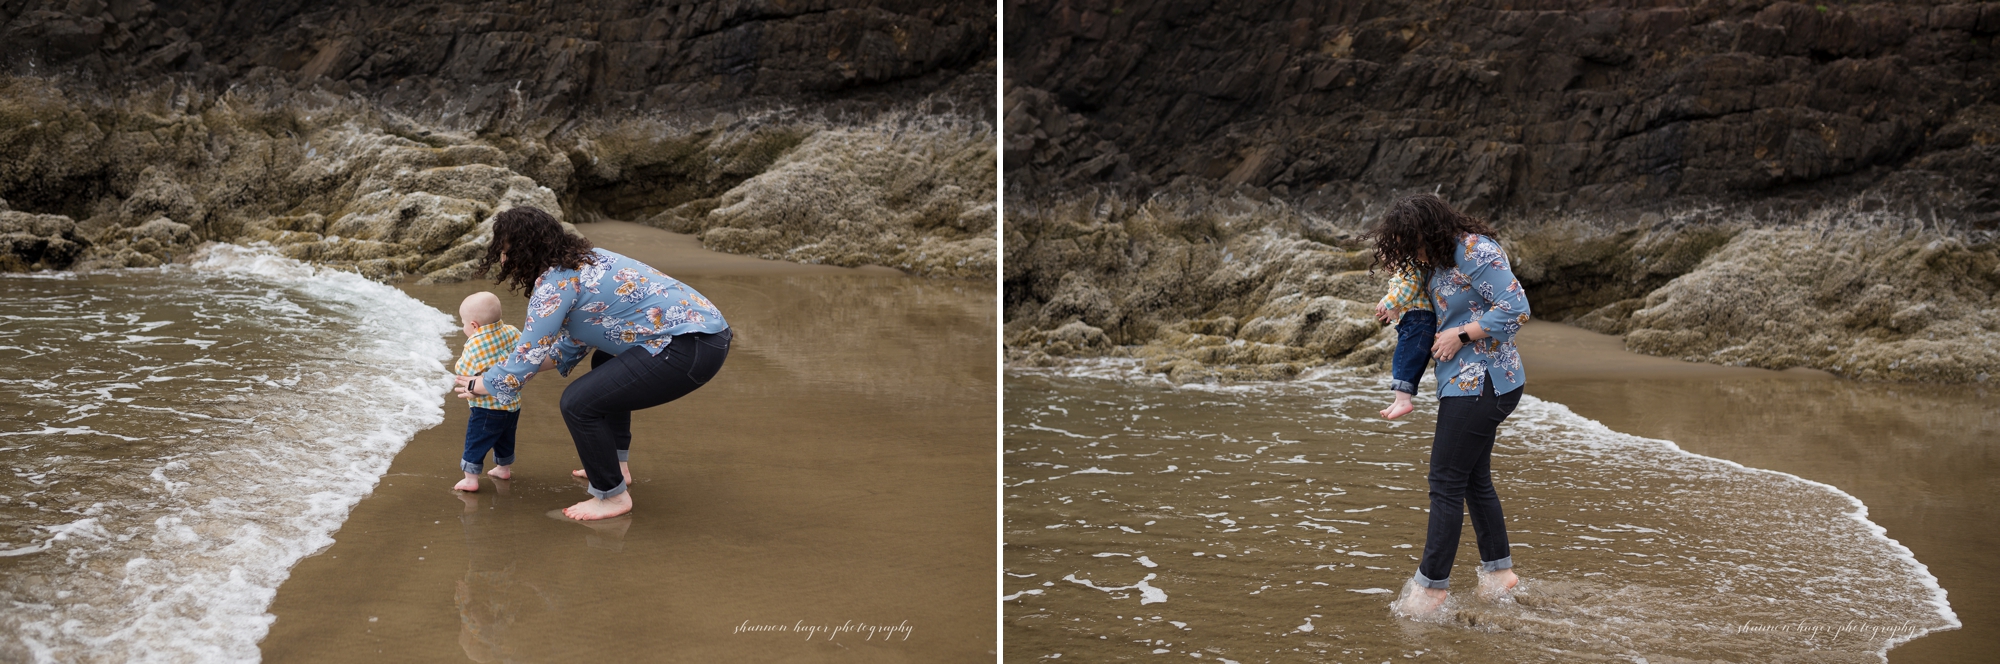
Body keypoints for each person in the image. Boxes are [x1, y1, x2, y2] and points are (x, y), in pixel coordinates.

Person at [451, 206, 732, 521]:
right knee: (604, 361)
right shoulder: (586, 260)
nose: (502, 261)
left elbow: (527, 357)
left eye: (504, 252)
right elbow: (566, 347)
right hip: (707, 337)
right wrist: (500, 375)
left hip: (689, 348)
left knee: (578, 403)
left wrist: (483, 383)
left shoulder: (553, 286)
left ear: (524, 251)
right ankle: (615, 465)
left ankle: (612, 496)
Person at [1364, 193, 1530, 616]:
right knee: (1473, 480)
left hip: (1486, 381)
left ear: (1429, 231)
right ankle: (1499, 575)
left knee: (1444, 481)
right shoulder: (1435, 258)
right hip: (1463, 382)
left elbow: (1517, 308)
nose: (1411, 253)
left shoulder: (1475, 250)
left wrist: (1463, 334)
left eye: (1411, 243)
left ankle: (1431, 590)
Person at [451, 291, 523, 492]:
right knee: (506, 437)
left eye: (463, 323)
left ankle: (470, 479)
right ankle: (503, 468)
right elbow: (522, 355)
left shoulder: (474, 344)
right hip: (512, 403)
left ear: (474, 325)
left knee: (477, 440)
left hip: (486, 406)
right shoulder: (511, 331)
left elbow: (463, 371)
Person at [1372, 267, 1435, 419]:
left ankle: (1403, 400)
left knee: (1404, 358)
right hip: (1415, 318)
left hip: (1419, 317)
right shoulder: (1407, 264)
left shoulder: (1411, 263)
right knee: (1409, 358)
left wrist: (1388, 301)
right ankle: (1400, 399)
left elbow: (1412, 286)